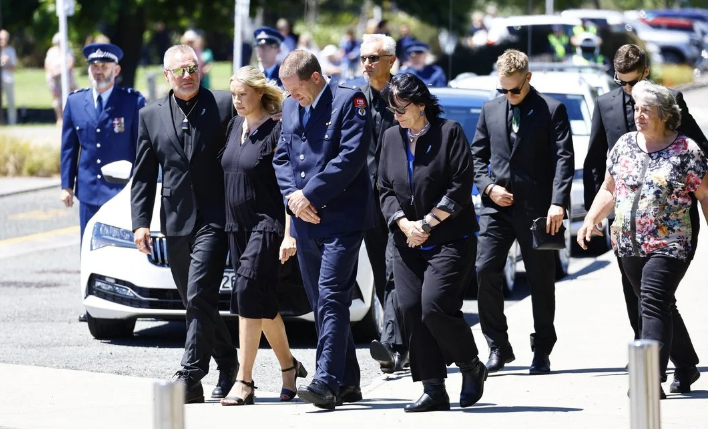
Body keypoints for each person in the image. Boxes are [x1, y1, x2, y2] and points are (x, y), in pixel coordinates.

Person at [582, 44, 707, 379]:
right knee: (651, 298)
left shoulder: (682, 137)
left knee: (652, 298)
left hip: (672, 232)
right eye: (622, 85)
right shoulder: (612, 119)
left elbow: (703, 171)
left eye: (633, 84)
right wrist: (593, 217)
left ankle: (649, 374)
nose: (627, 93)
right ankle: (685, 363)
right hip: (626, 231)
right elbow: (602, 172)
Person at [131, 44, 239, 404]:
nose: (187, 75)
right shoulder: (149, 115)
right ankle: (227, 360)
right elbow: (144, 175)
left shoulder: (225, 105)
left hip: (215, 217)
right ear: (167, 76)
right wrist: (140, 223)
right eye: (179, 70)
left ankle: (190, 375)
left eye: (192, 68)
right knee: (196, 300)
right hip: (175, 220)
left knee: (199, 294)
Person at [378, 73, 487, 412]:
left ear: (421, 105)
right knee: (411, 310)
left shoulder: (449, 133)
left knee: (434, 307)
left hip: (449, 238)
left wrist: (425, 224)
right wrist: (403, 223)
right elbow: (383, 188)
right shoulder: (391, 137)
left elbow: (458, 187)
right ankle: (433, 388)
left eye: (401, 108)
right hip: (406, 239)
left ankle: (471, 365)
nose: (395, 115)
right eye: (391, 109)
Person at [273, 49, 376, 410]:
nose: (293, 97)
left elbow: (350, 157)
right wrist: (293, 198)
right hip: (305, 219)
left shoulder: (350, 101)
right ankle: (348, 381)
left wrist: (309, 195)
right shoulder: (289, 106)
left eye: (297, 90)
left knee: (332, 296)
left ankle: (325, 382)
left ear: (315, 77)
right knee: (321, 303)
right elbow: (282, 156)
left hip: (340, 218)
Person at [471, 49, 574, 375]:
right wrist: (488, 187)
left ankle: (542, 349)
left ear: (528, 78)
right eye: (503, 89)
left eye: (514, 89)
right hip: (496, 208)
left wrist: (558, 201)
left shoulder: (552, 110)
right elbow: (476, 158)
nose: (509, 96)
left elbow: (563, 159)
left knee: (541, 282)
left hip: (538, 211)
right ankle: (498, 346)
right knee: (485, 270)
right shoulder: (490, 109)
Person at [219, 65, 308, 406]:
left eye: (243, 94)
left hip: (267, 224)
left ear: (260, 94)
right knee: (262, 302)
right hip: (235, 226)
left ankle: (244, 381)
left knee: (245, 291)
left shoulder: (277, 129)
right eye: (234, 95)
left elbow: (290, 185)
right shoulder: (233, 127)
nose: (238, 100)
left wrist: (290, 233)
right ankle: (289, 367)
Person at [357, 33, 408, 374]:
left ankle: (392, 344)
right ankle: (397, 342)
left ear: (391, 61)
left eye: (374, 58)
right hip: (362, 200)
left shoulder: (406, 95)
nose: (367, 64)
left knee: (393, 270)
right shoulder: (350, 97)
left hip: (400, 199)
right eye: (363, 58)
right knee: (379, 270)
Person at [60, 43, 146, 245]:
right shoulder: (75, 102)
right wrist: (67, 185)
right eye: (94, 67)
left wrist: (140, 185)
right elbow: (69, 148)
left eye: (104, 67)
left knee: (121, 246)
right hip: (89, 189)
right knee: (89, 245)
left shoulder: (132, 102)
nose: (99, 71)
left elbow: (141, 147)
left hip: (122, 190)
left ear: (116, 70)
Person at [45, 33, 78, 124]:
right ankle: (59, 118)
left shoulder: (68, 51)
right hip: (54, 79)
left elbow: (71, 64)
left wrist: (61, 72)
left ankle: (68, 117)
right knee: (56, 98)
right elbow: (47, 65)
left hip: (66, 78)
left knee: (68, 97)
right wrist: (54, 72)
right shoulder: (51, 52)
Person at [0, 29, 17, 125]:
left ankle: (12, 122)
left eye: (4, 39)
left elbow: (13, 67)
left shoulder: (11, 51)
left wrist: (5, 64)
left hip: (7, 78)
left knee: (10, 101)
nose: (2, 41)